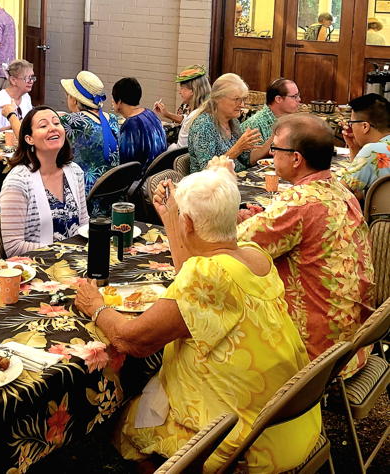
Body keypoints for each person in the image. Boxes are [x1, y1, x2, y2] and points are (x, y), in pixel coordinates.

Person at [75, 165, 321, 473]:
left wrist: (96, 306)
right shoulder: (254, 255)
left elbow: (132, 340)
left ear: (188, 223)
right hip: (289, 421)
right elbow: (193, 277)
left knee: (119, 417)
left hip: (244, 443)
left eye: (181, 220)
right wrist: (170, 218)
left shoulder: (208, 277)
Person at [237, 114, 374, 377]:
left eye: (275, 149)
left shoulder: (299, 203)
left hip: (315, 355)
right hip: (352, 339)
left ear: (296, 158)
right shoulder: (339, 189)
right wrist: (260, 219)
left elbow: (228, 247)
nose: (272, 155)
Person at [0, 106, 89, 257]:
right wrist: (64, 251)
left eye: (56, 123)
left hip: (76, 260)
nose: (53, 128)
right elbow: (13, 247)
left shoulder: (74, 171)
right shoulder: (18, 181)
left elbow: (84, 224)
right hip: (38, 266)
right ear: (29, 139)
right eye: (43, 125)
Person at [187, 73, 269, 173]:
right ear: (217, 98)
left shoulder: (233, 121)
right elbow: (208, 171)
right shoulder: (203, 125)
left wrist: (273, 138)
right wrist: (238, 148)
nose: (242, 105)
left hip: (234, 180)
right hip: (211, 186)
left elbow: (247, 160)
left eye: (243, 99)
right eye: (236, 99)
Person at [59, 70, 120, 196]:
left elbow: (30, 134)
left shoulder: (72, 121)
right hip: (113, 192)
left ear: (75, 100)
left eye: (68, 95)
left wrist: (11, 114)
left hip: (87, 196)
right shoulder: (113, 119)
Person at [112, 77, 167, 174]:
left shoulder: (130, 125)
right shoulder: (150, 113)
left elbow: (125, 165)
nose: (112, 101)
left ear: (119, 101)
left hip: (142, 181)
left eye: (113, 97)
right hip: (158, 175)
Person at [341, 93, 390, 199]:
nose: (351, 128)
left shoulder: (372, 151)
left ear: (365, 126)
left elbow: (341, 191)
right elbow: (357, 187)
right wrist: (354, 148)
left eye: (351, 123)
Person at [155, 65, 211, 151]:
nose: (180, 92)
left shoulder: (194, 117)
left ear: (193, 90)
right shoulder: (207, 109)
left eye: (182, 88)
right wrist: (167, 114)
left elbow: (179, 151)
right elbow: (187, 120)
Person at [241, 78, 301, 145]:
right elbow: (251, 155)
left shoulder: (294, 121)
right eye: (294, 96)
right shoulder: (253, 125)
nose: (299, 99)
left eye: (298, 95)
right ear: (278, 99)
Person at [0, 59, 34, 132]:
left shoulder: (26, 97)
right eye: (27, 78)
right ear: (13, 80)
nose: (31, 81)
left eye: (32, 77)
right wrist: (14, 126)